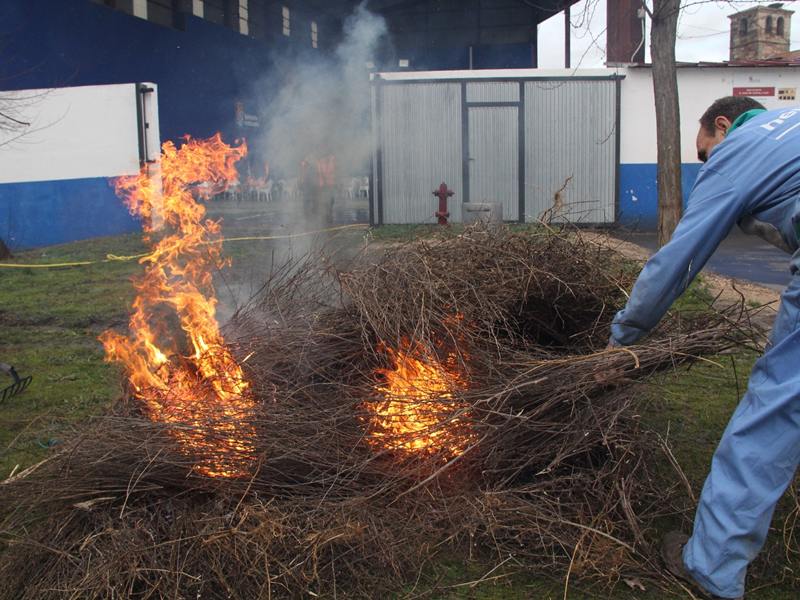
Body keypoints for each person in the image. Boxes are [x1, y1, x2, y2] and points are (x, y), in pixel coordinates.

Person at [608, 95, 800, 600]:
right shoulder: (792, 123)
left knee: (773, 412)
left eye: (703, 153)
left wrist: (622, 336)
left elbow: (675, 262)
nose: (705, 165)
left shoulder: (737, 149)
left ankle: (710, 568)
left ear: (723, 125)